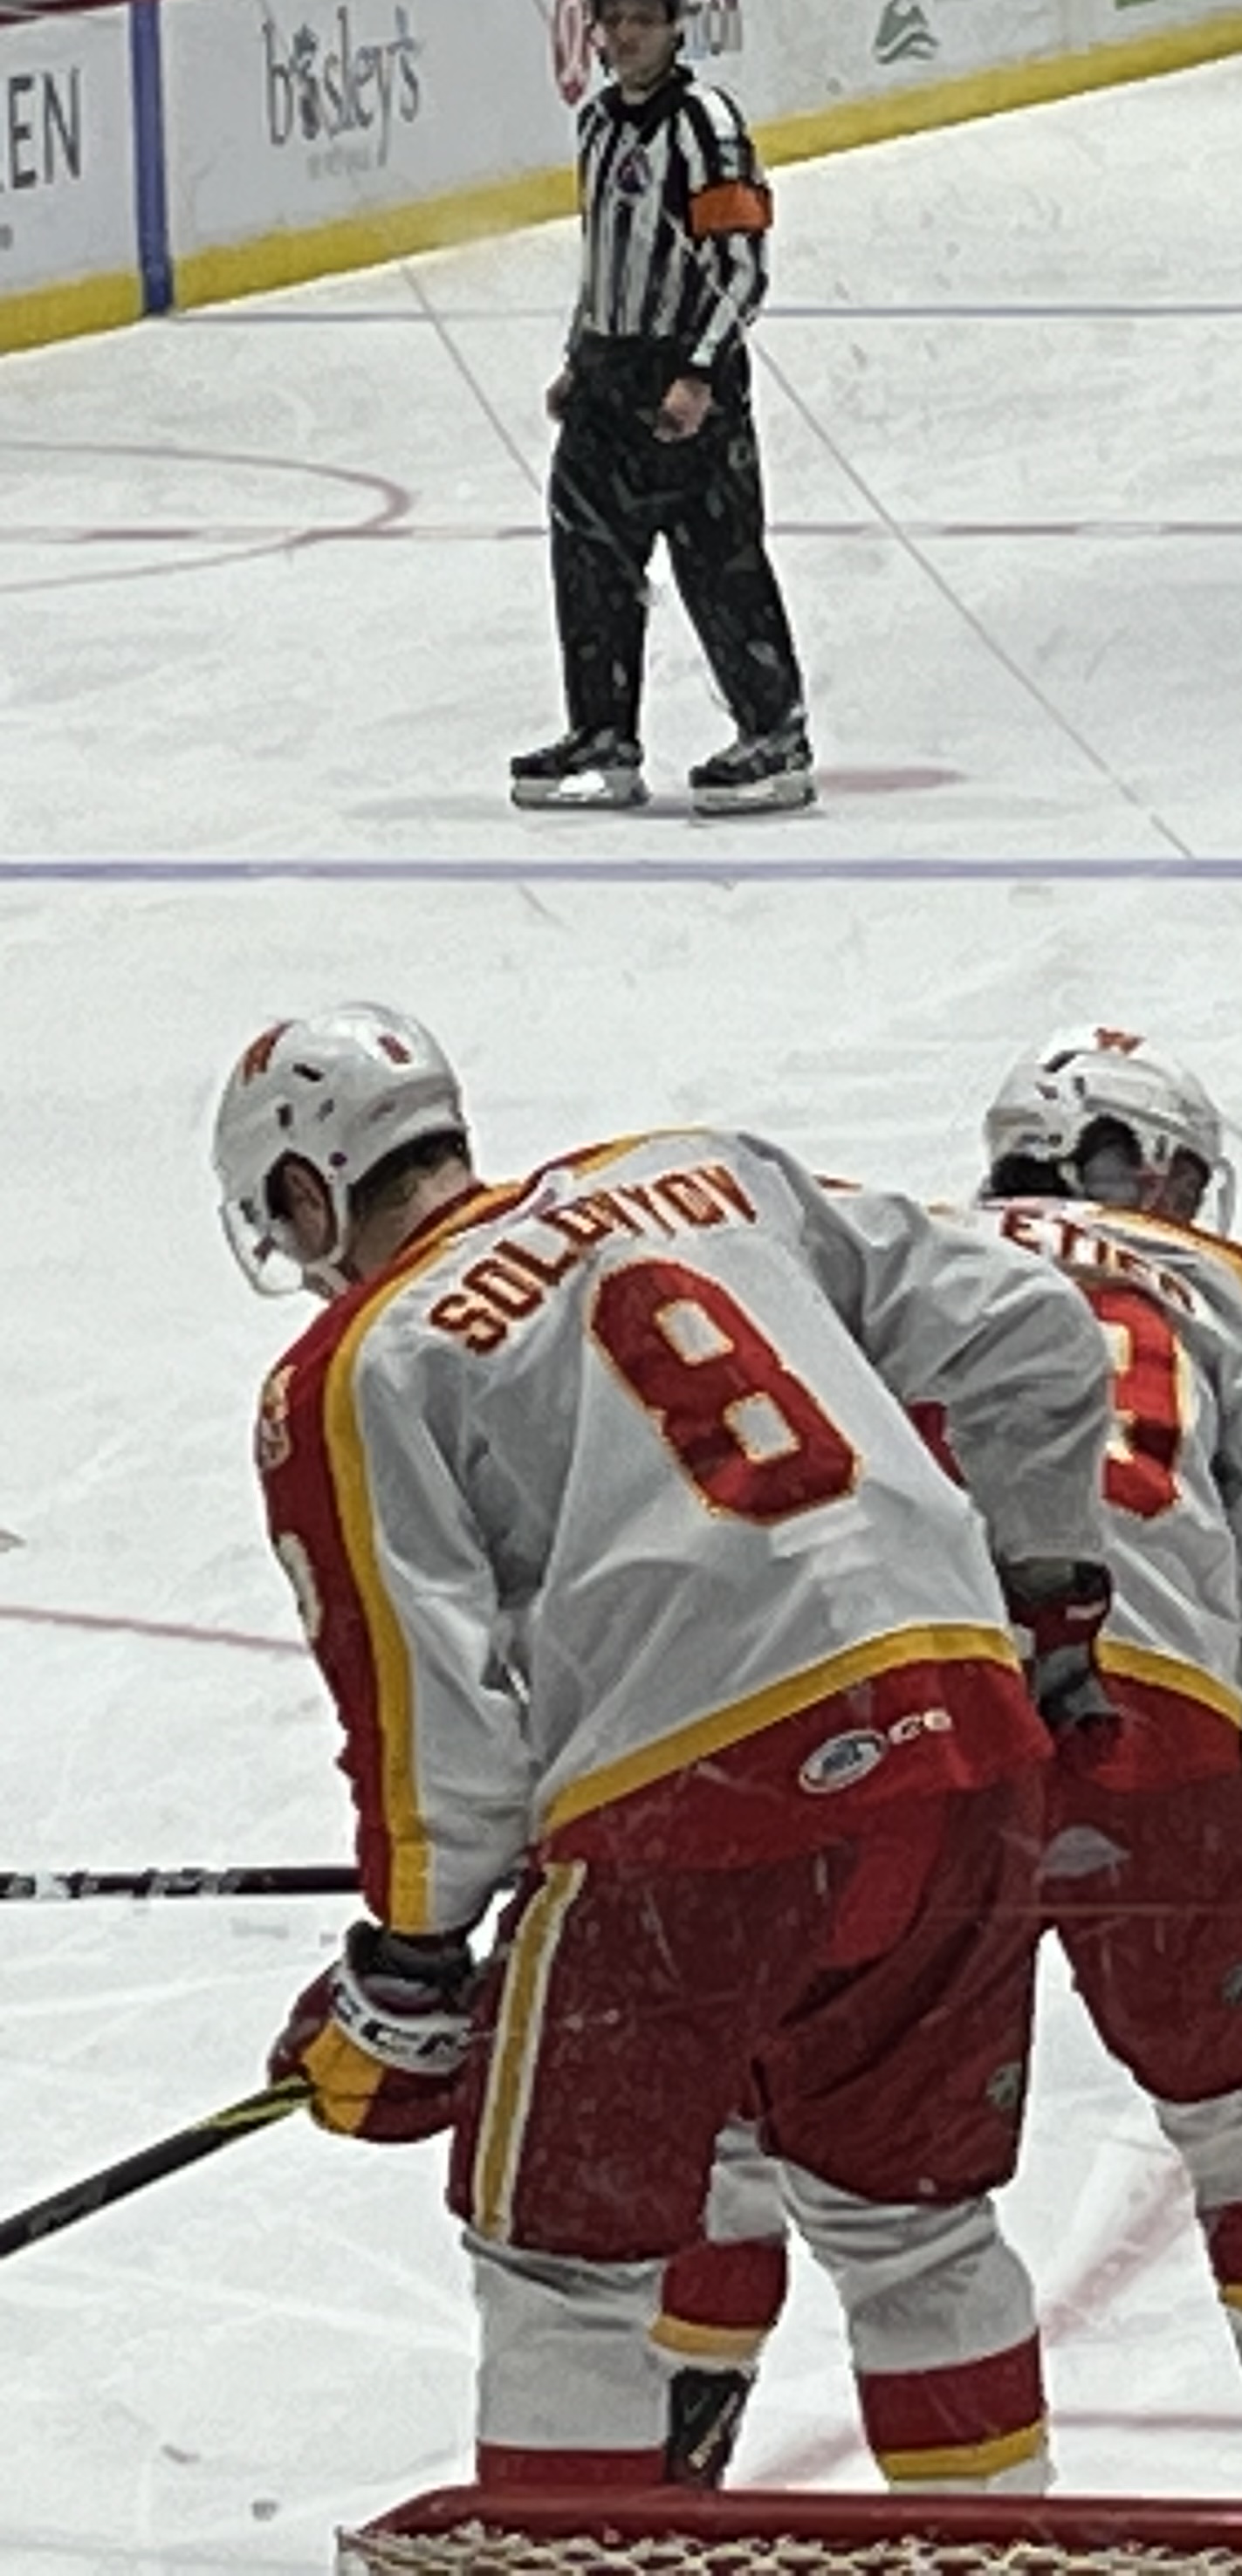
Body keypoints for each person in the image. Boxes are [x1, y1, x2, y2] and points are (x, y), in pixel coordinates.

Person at [214, 1003, 1119, 2489]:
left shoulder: (358, 1363)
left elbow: (429, 1716)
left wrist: (412, 1960)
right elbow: (1037, 1324)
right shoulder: (709, 1171)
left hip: (695, 1804)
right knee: (917, 2225)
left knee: (563, 2265)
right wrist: (1049, 1589)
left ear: (313, 1190)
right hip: (962, 1733)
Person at [648, 1029, 1242, 2499]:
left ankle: (674, 2457)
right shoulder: (1223, 1282)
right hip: (1151, 1727)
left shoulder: (903, 1254)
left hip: (907, 1725)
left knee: (756, 2139)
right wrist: (1213, 1690)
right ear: (1145, 1165)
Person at [511, 0, 813, 818]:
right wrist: (580, 358)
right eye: (613, 20)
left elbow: (742, 267)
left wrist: (700, 374)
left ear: (678, 27)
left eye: (644, 20)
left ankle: (775, 735)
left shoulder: (709, 126)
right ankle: (603, 736)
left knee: (717, 559)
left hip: (686, 376)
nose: (627, 36)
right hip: (609, 376)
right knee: (589, 554)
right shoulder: (596, 123)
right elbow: (602, 256)